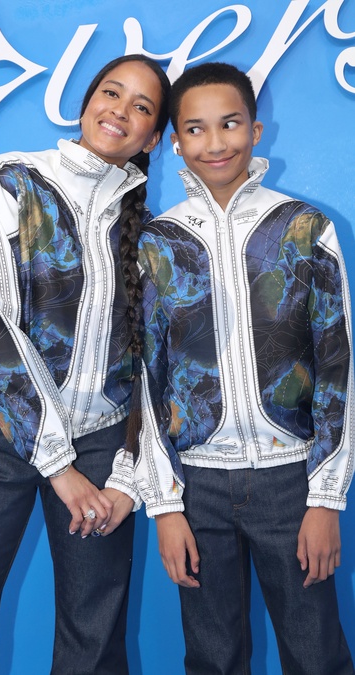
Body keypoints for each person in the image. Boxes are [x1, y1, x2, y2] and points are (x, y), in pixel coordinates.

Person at [0, 54, 170, 675]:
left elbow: (155, 369)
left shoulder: (151, 236)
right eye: (111, 93)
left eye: (141, 107)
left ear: (153, 138)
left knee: (93, 646)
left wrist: (127, 478)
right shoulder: (12, 182)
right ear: (86, 104)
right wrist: (57, 465)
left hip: (103, 446)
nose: (120, 111)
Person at [134, 62, 354, 674]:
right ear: (175, 141)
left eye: (229, 124)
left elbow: (337, 366)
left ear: (255, 130)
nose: (215, 142)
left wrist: (325, 498)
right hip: (198, 486)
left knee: (316, 653)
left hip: (291, 480)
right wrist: (166, 506)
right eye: (196, 129)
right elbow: (147, 381)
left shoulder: (304, 228)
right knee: (211, 657)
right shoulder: (158, 242)